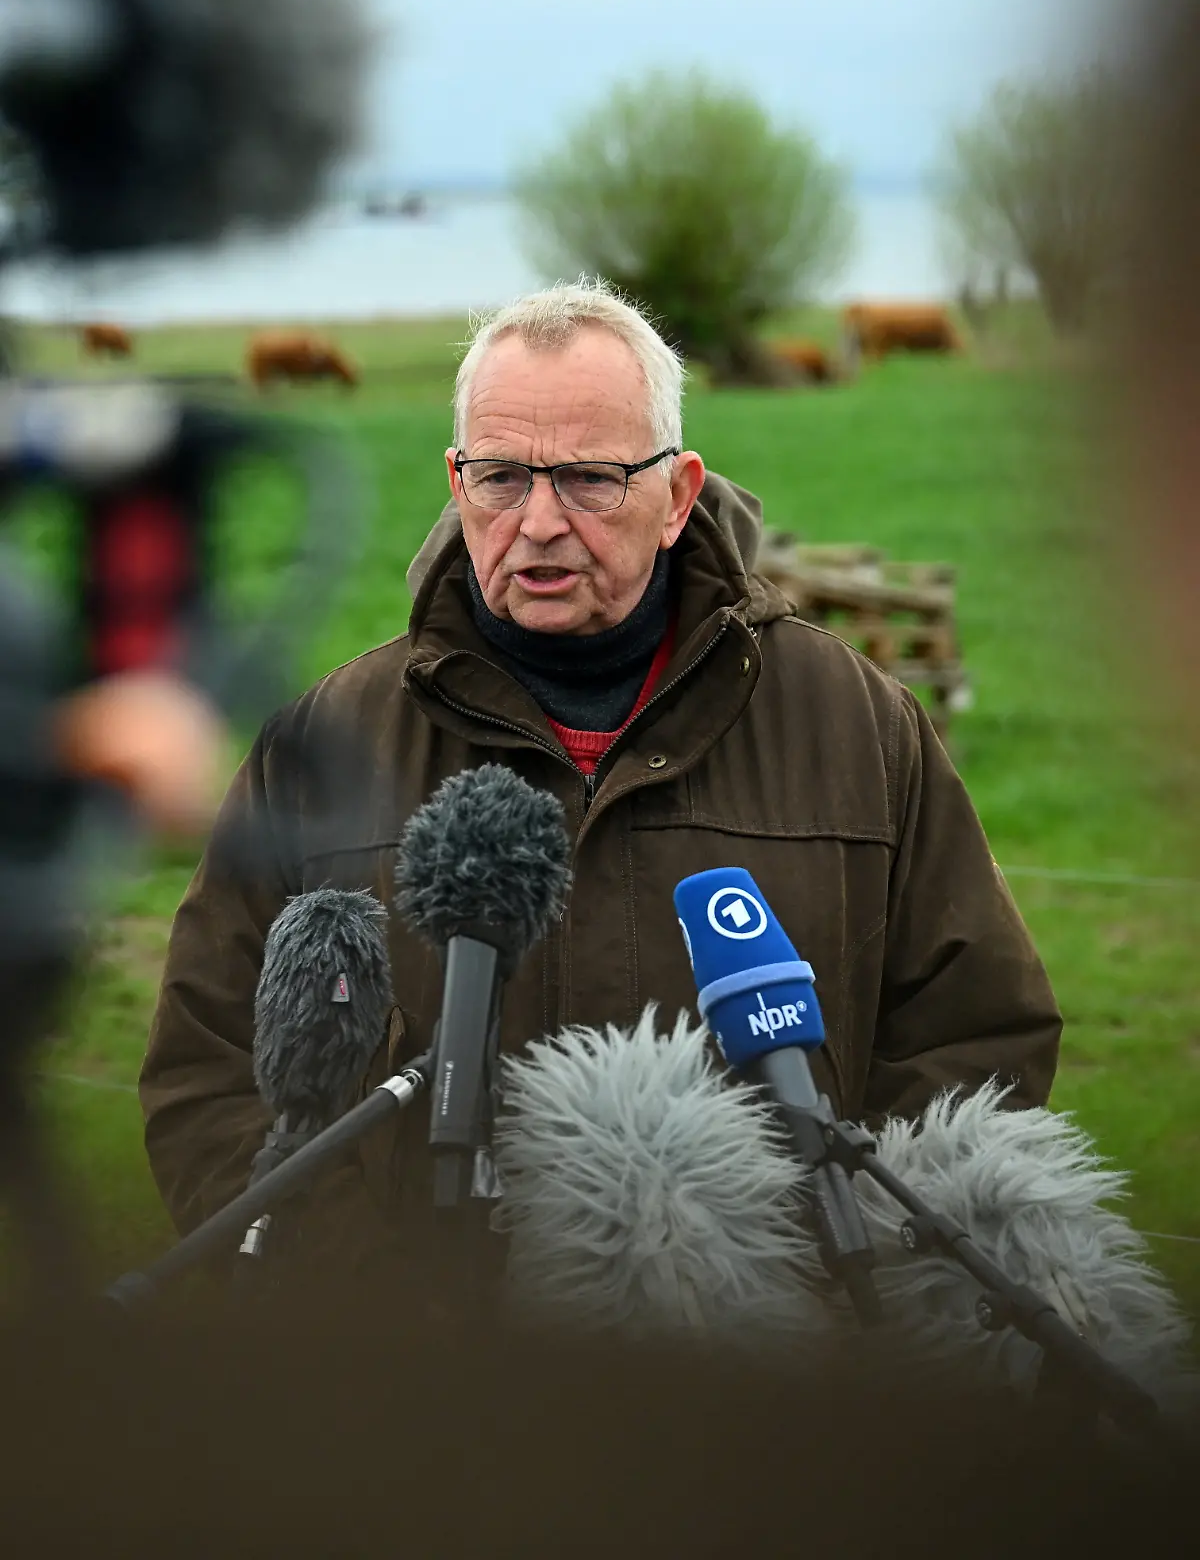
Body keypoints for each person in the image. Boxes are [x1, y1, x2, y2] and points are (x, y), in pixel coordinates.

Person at [138, 280, 1062, 1276]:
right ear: (456, 482)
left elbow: (981, 1043)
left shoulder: (858, 728)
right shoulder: (319, 748)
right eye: (500, 478)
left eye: (588, 479)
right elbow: (208, 1065)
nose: (537, 522)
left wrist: (833, 1295)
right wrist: (353, 1299)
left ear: (676, 494)